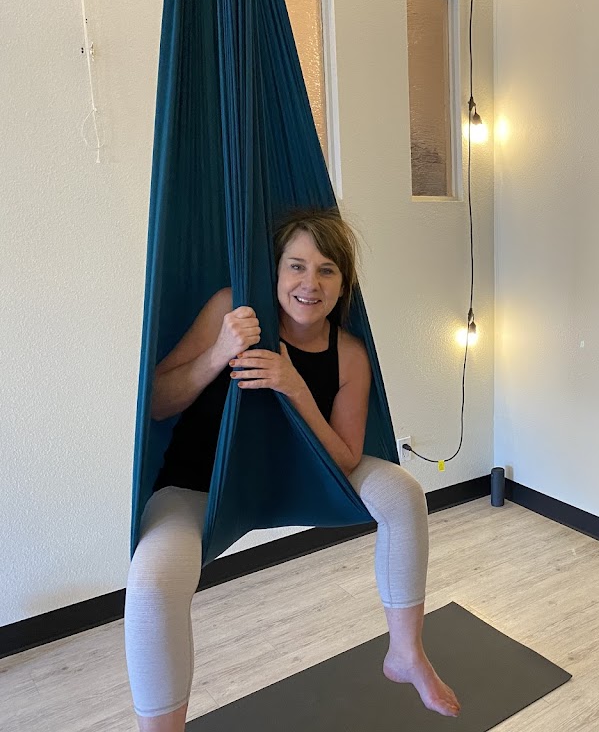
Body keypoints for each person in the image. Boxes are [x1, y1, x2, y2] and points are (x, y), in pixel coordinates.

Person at [124, 208, 460, 731]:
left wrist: (294, 386)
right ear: (274, 271)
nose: (310, 284)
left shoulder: (349, 354)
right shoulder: (230, 309)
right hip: (200, 487)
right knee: (150, 587)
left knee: (402, 492)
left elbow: (345, 458)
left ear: (344, 284)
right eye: (296, 266)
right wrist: (220, 352)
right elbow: (158, 403)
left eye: (327, 270)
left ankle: (406, 653)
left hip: (305, 482)